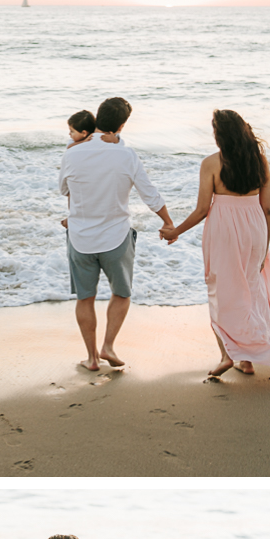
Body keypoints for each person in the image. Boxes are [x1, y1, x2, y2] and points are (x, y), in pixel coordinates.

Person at [159, 109, 270, 378]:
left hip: (223, 230)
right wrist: (264, 245)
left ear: (219, 135)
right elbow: (267, 209)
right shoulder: (260, 161)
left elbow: (202, 210)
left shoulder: (211, 163)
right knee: (250, 290)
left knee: (222, 292)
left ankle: (228, 355)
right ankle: (245, 358)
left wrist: (175, 231)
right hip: (255, 229)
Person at [59, 96, 174, 371]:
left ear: (98, 119)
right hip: (116, 237)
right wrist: (168, 223)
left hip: (81, 238)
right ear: (121, 126)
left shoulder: (71, 152)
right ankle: (108, 346)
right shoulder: (126, 154)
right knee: (121, 294)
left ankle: (91, 358)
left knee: (85, 298)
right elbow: (150, 194)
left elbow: (65, 190)